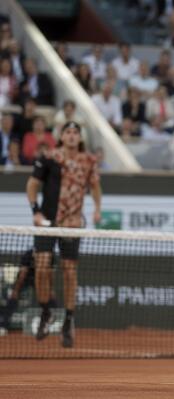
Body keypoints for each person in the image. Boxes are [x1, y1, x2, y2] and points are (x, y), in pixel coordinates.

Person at [26, 121, 102, 348]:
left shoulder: (89, 160)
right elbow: (32, 185)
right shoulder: (49, 157)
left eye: (75, 132)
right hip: (47, 223)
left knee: (69, 272)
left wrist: (97, 209)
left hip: (71, 224)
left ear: (80, 137)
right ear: (61, 136)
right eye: (67, 132)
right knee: (42, 266)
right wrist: (36, 212)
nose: (71, 136)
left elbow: (96, 187)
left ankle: (68, 321)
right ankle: (46, 311)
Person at [0, 249, 57, 332]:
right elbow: (23, 273)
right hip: (26, 278)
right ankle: (3, 326)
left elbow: (50, 273)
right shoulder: (28, 254)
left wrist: (50, 289)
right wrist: (16, 290)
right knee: (13, 297)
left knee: (50, 297)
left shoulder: (50, 255)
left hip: (41, 277)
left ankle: (56, 322)